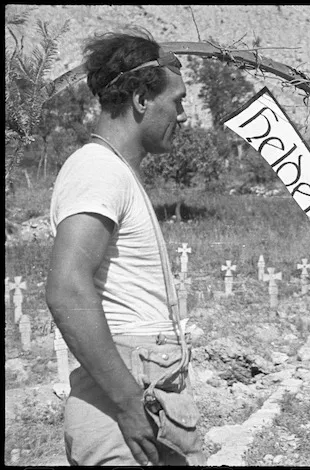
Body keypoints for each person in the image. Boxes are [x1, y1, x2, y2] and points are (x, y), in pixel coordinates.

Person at [45, 30, 206, 466]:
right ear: (140, 98)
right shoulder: (98, 171)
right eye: (178, 100)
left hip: (140, 386)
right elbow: (66, 288)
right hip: (125, 399)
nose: (184, 114)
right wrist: (128, 401)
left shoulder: (114, 172)